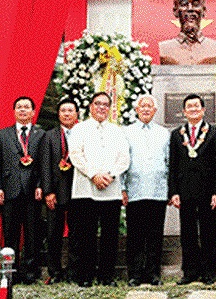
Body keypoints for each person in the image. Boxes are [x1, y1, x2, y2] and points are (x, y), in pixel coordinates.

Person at [68, 91, 130, 287]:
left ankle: (106, 276)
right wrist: (94, 174)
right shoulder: (79, 129)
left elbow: (124, 158)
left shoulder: (117, 131)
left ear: (109, 108)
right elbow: (75, 155)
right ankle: (85, 275)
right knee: (86, 235)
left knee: (110, 236)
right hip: (85, 190)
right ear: (90, 107)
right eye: (97, 103)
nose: (101, 107)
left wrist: (110, 175)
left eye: (105, 104)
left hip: (111, 190)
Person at [168, 93, 216, 285]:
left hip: (208, 191)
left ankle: (209, 272)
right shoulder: (177, 134)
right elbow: (173, 165)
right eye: (189, 106)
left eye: (196, 106)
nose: (193, 109)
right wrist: (174, 192)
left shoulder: (214, 133)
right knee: (188, 233)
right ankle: (190, 272)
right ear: (184, 111)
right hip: (185, 191)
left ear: (203, 110)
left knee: (208, 232)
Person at [0, 96, 45, 284]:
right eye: (19, 107)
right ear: (14, 112)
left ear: (33, 112)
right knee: (11, 234)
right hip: (10, 190)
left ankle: (30, 273)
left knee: (32, 234)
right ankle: (10, 273)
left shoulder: (40, 134)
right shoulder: (2, 134)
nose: (23, 110)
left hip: (32, 191)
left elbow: (44, 163)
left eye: (26, 107)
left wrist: (41, 185)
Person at [122, 94, 170, 286]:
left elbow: (169, 162)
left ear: (155, 110)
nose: (146, 109)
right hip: (135, 191)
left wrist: (170, 190)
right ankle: (134, 274)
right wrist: (122, 188)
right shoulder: (126, 132)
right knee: (135, 235)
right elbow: (122, 162)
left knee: (155, 235)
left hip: (158, 191)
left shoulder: (164, 133)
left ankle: (153, 274)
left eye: (149, 106)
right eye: (142, 106)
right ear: (136, 109)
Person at [41, 99, 80, 284]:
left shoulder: (83, 133)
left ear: (77, 114)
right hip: (56, 192)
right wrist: (48, 191)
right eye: (63, 110)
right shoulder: (49, 135)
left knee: (76, 234)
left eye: (70, 110)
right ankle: (55, 271)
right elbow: (45, 165)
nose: (66, 114)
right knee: (53, 234)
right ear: (58, 114)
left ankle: (73, 271)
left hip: (78, 190)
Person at [158, 0, 216, 65]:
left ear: (204, 11)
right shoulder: (165, 48)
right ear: (175, 11)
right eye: (184, 4)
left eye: (195, 4)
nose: (190, 9)